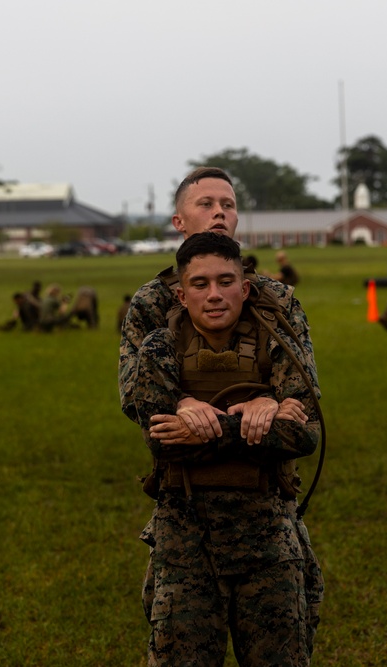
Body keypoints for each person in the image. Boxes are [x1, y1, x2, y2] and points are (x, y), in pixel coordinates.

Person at [119, 166, 323, 662]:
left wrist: (254, 411)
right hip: (187, 520)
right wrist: (246, 411)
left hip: (267, 518)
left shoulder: (275, 301)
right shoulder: (152, 305)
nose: (219, 212)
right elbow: (147, 410)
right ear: (179, 220)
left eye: (228, 204)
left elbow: (304, 415)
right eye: (206, 203)